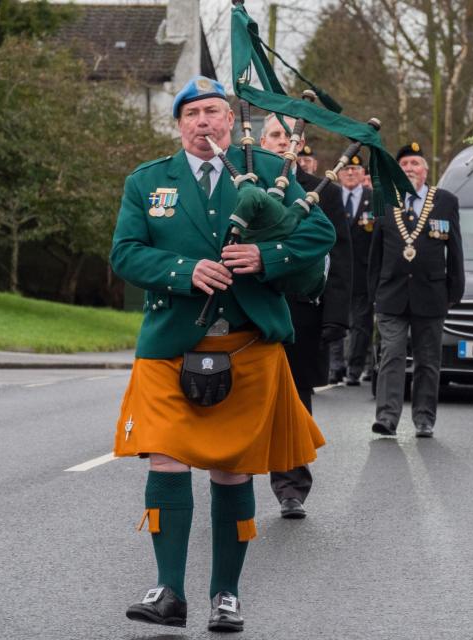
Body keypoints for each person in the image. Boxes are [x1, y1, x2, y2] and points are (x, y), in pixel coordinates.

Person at [110, 76, 335, 632]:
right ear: (179, 124)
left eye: (213, 111)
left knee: (233, 473)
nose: (203, 122)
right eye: (191, 114)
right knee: (165, 458)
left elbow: (320, 233)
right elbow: (125, 253)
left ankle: (226, 596)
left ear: (231, 121)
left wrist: (266, 257)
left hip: (247, 344)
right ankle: (168, 591)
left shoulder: (269, 172)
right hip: (169, 345)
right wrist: (184, 271)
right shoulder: (147, 182)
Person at [259, 115, 352, 518]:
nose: (284, 142)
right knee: (241, 398)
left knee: (294, 400)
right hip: (247, 312)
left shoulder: (321, 191)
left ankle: (291, 486)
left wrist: (337, 314)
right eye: (276, 135)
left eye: (290, 136)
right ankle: (231, 478)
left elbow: (342, 256)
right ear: (260, 141)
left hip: (301, 312)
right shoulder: (237, 187)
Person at [368, 142, 464, 437]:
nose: (410, 169)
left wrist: (454, 291)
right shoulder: (384, 200)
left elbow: (455, 250)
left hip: (431, 295)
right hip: (392, 294)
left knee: (428, 360)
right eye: (405, 165)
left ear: (426, 170)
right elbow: (376, 254)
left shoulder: (445, 201)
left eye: (416, 164)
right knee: (392, 355)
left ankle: (424, 418)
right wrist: (374, 294)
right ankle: (386, 417)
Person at [329, 153, 375, 386]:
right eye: (345, 169)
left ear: (362, 174)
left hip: (363, 272)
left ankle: (354, 368)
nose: (349, 173)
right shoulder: (331, 196)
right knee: (335, 319)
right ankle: (335, 366)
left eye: (355, 170)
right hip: (335, 271)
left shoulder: (373, 199)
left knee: (360, 324)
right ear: (339, 173)